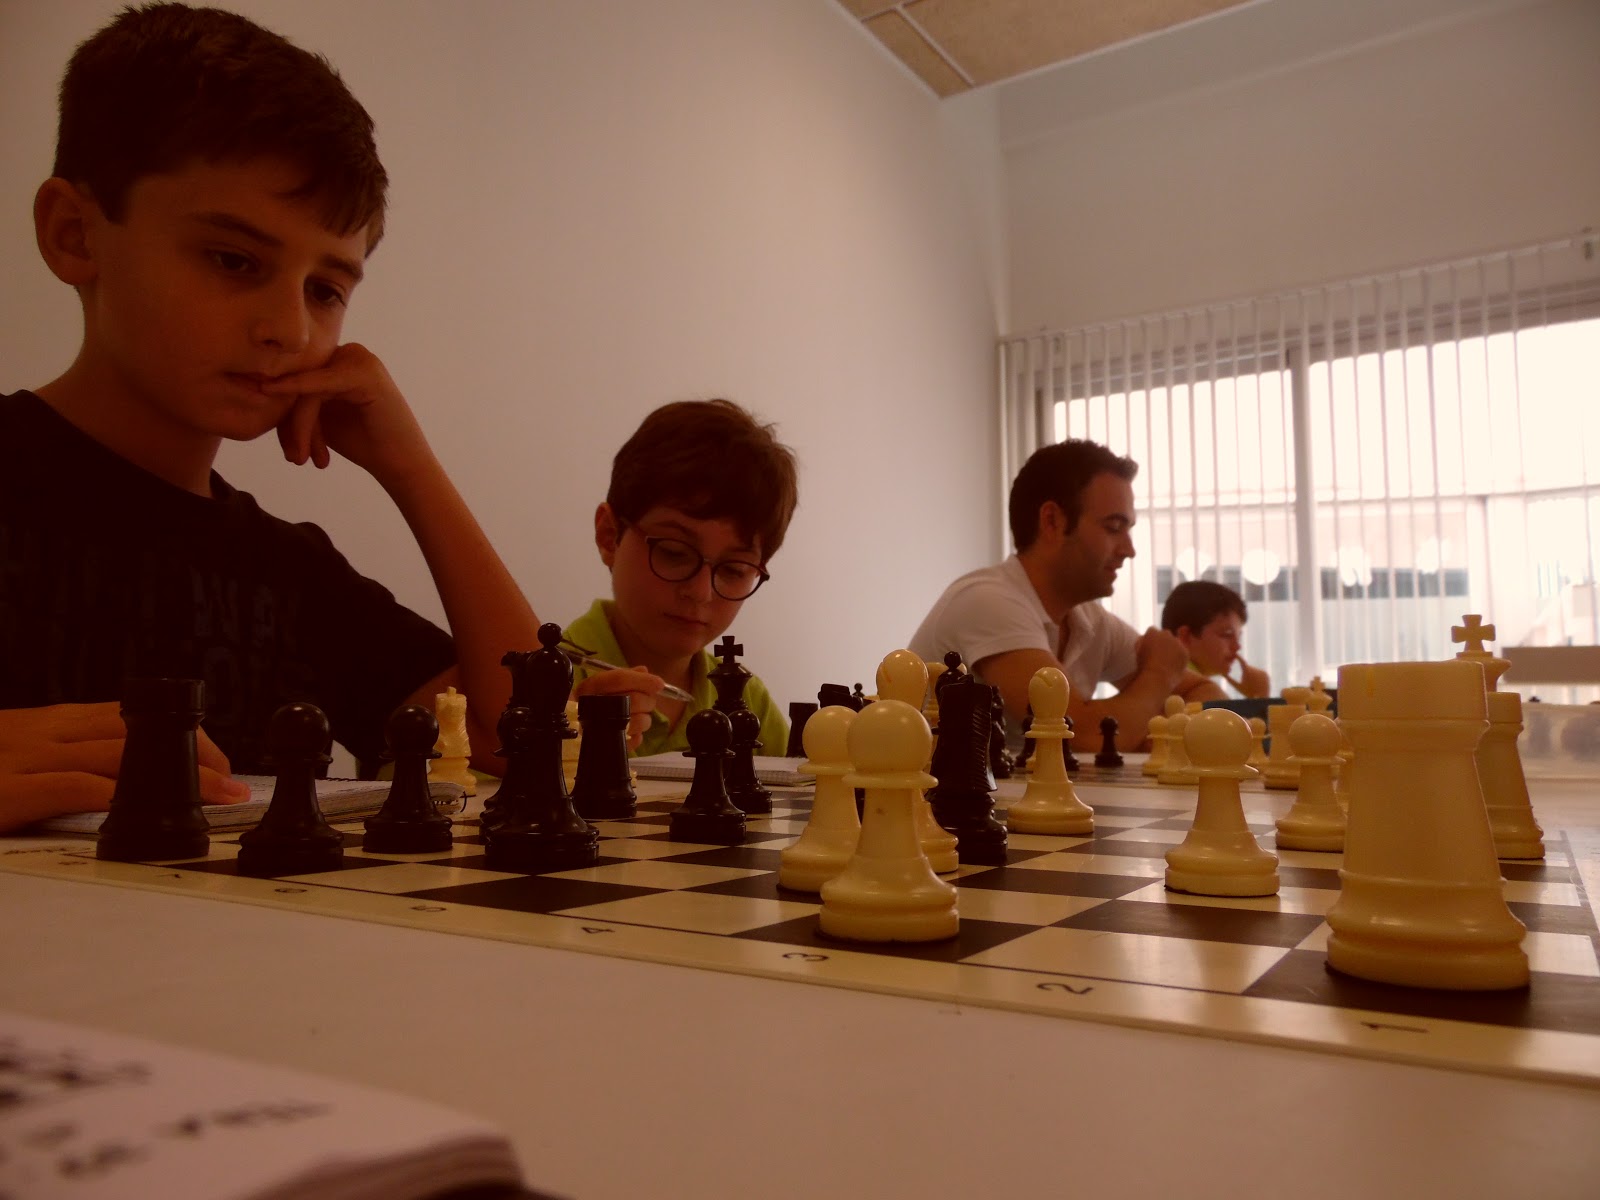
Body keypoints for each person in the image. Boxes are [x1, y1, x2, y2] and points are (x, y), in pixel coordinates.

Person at [0, 4, 656, 834]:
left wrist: (410, 466)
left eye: (326, 289)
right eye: (234, 259)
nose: (291, 328)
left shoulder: (288, 571)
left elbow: (510, 737)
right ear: (74, 235)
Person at [909, 439, 1221, 740]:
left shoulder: (1092, 621)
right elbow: (1078, 734)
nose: (1129, 550)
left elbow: (1206, 694)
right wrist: (1159, 674)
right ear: (1052, 521)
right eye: (1113, 527)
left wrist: (1151, 733)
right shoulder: (987, 601)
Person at [565, 399, 797, 757]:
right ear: (609, 536)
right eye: (674, 552)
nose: (701, 592)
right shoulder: (546, 686)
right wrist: (564, 745)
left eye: (734, 570)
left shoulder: (747, 699)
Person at [1160, 580, 1271, 699]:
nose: (1237, 646)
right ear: (1185, 636)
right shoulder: (1194, 689)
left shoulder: (1162, 676)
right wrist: (1259, 697)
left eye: (1238, 637)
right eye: (1227, 635)